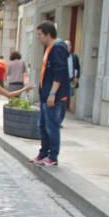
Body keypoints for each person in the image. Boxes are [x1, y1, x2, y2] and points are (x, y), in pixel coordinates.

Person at [32, 21, 70, 167]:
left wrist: (53, 94)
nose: (39, 38)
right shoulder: (49, 48)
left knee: (51, 126)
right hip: (45, 95)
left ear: (48, 34)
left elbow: (59, 72)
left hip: (53, 96)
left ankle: (52, 156)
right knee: (42, 125)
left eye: (40, 35)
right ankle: (43, 153)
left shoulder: (57, 48)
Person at [66, 40, 81, 112]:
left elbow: (77, 67)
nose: (67, 47)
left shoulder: (74, 57)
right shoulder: (60, 56)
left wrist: (77, 77)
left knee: (69, 95)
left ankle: (69, 108)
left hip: (71, 79)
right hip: (61, 79)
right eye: (66, 46)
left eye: (69, 45)